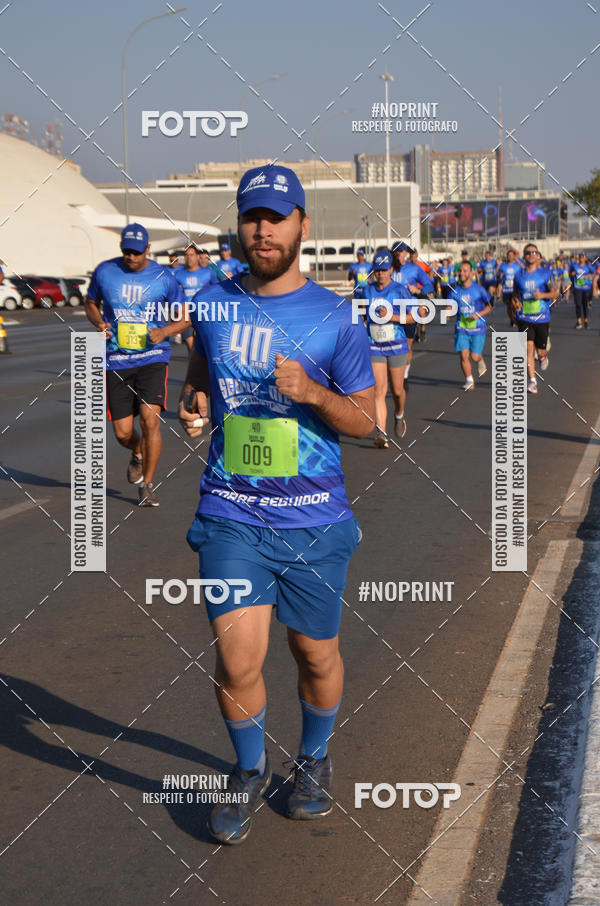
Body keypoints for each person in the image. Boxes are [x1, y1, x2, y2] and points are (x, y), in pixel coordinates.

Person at [179, 164, 375, 844]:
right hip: (231, 513)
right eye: (252, 216)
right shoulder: (212, 304)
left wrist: (316, 394)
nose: (262, 229)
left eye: (276, 216)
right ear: (240, 225)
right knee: (236, 661)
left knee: (314, 656)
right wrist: (195, 398)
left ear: (302, 227)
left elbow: (371, 425)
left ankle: (315, 759)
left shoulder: (336, 316)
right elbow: (202, 372)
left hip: (315, 521)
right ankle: (249, 767)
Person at [85, 223, 187, 506]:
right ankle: (137, 451)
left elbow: (185, 316)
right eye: (126, 251)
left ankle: (148, 484)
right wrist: (99, 322)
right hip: (116, 359)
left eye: (137, 252)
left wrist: (164, 332)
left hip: (152, 357)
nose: (131, 257)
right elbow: (90, 302)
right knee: (123, 433)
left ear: (148, 249)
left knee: (150, 420)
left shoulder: (163, 277)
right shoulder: (105, 271)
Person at [363, 249, 415, 445]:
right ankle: (381, 433)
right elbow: (361, 315)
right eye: (377, 270)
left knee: (397, 390)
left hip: (396, 345)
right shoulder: (367, 290)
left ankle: (399, 414)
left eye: (384, 270)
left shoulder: (399, 290)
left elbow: (414, 316)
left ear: (391, 269)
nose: (381, 274)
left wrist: (391, 316)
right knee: (378, 390)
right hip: (375, 345)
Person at [512, 243, 557, 394]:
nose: (531, 255)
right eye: (528, 252)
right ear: (524, 256)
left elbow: (555, 293)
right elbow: (515, 294)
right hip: (524, 317)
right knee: (527, 350)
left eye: (534, 252)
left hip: (542, 317)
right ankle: (532, 381)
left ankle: (543, 356)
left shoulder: (545, 274)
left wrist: (542, 295)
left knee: (541, 351)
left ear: (538, 255)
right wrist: (516, 301)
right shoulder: (518, 276)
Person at [448, 261, 493, 390]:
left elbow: (490, 306)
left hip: (478, 328)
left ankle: (480, 360)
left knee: (474, 356)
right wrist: (447, 312)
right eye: (460, 270)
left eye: (465, 270)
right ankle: (469, 380)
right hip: (461, 328)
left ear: (471, 273)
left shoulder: (479, 289)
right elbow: (449, 305)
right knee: (463, 355)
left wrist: (479, 314)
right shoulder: (454, 291)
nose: (462, 273)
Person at [391, 240, 433, 376]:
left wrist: (418, 290)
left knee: (407, 346)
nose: (398, 254)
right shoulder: (387, 269)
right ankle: (393, 374)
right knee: (390, 345)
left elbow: (429, 285)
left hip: (409, 313)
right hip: (390, 313)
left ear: (405, 253)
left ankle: (404, 375)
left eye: (400, 251)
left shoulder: (414, 269)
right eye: (395, 252)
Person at [174, 244, 216, 353]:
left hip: (204, 315)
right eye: (186, 255)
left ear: (197, 256)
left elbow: (217, 292)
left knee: (205, 350)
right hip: (187, 316)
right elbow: (174, 296)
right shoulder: (178, 275)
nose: (189, 257)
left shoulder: (208, 273)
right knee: (192, 348)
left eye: (192, 255)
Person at [496, 249, 522, 326]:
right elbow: (497, 274)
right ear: (507, 256)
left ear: (514, 256)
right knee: (509, 306)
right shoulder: (503, 266)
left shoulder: (518, 266)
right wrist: (499, 275)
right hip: (506, 289)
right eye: (509, 255)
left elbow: (523, 273)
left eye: (511, 255)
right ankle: (512, 318)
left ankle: (517, 318)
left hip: (515, 288)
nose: (510, 257)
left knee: (516, 304)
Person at [570, 252, 595, 329]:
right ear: (579, 258)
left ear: (585, 258)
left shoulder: (588, 266)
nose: (581, 259)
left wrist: (589, 276)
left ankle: (586, 321)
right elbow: (570, 273)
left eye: (583, 257)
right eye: (580, 257)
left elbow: (595, 273)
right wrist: (572, 274)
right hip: (577, 288)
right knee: (578, 304)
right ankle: (579, 321)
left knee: (585, 305)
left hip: (586, 288)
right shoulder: (574, 266)